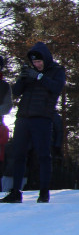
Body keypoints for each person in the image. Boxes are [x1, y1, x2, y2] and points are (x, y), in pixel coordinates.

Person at [2, 43, 67, 204]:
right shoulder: (29, 73)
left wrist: (39, 76)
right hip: (23, 117)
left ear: (45, 59)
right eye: (34, 63)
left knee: (44, 156)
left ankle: (44, 192)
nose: (36, 65)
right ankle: (16, 192)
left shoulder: (57, 71)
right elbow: (15, 93)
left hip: (43, 118)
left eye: (39, 62)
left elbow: (57, 88)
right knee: (18, 155)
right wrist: (23, 78)